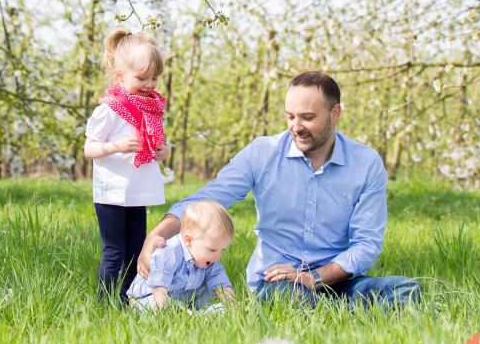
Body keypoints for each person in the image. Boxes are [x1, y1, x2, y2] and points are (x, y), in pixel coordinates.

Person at [138, 71, 421, 309]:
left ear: (335, 114)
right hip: (277, 283)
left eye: (307, 117)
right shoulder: (263, 153)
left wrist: (315, 277)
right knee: (295, 300)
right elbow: (209, 197)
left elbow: (366, 244)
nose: (296, 127)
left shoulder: (366, 163)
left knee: (407, 290)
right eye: (290, 117)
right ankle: (348, 314)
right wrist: (157, 233)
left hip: (337, 280)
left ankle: (339, 310)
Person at [85, 27, 171, 301]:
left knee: (137, 249)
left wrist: (162, 152)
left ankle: (132, 298)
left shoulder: (152, 108)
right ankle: (108, 300)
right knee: (114, 251)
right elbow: (89, 148)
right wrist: (115, 146)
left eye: (154, 78)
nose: (149, 84)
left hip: (137, 191)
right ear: (121, 76)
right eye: (142, 78)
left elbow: (156, 145)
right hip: (112, 192)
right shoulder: (110, 109)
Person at [127, 200, 236, 311]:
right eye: (212, 250)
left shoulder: (209, 258)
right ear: (189, 241)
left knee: (209, 287)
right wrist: (160, 312)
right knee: (169, 305)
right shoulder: (169, 252)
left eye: (221, 250)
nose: (217, 256)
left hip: (181, 297)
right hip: (148, 298)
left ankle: (198, 311)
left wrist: (233, 307)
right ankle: (189, 313)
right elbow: (159, 289)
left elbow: (220, 282)